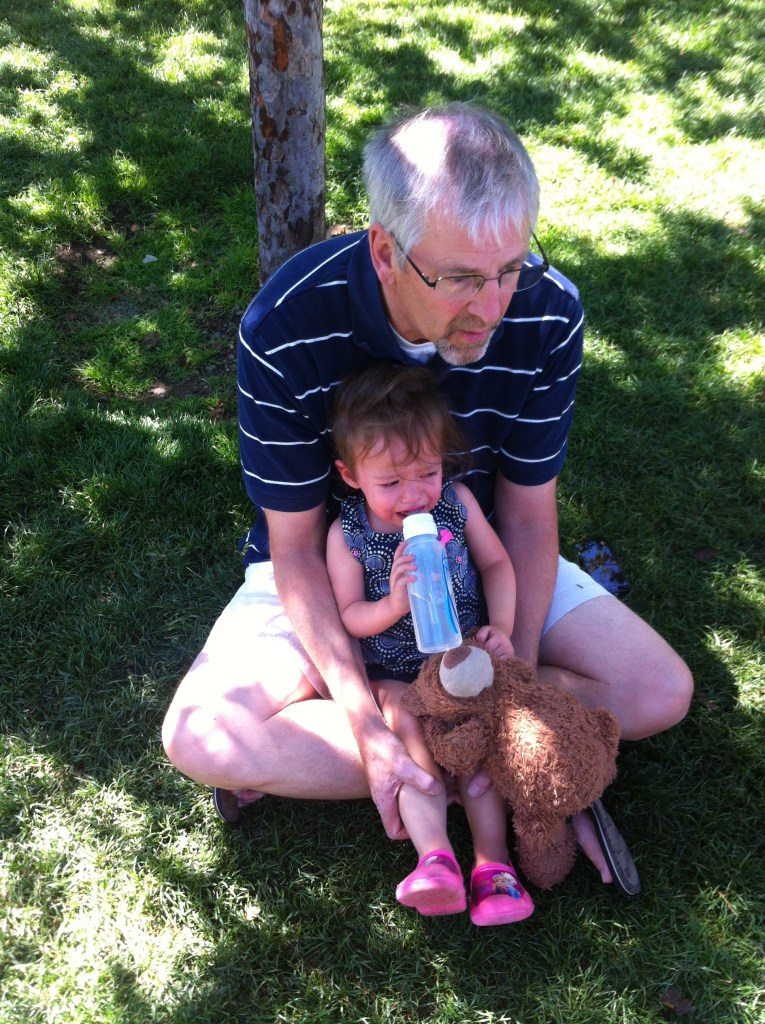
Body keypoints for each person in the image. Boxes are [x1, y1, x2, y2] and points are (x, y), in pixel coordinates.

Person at [161, 102, 693, 896]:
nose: (493, 305)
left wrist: (509, 692)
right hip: (337, 561)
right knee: (201, 737)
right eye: (459, 279)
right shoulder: (284, 324)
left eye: (509, 268)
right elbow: (297, 546)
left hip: (473, 550)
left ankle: (449, 749)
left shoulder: (548, 310)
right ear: (385, 249)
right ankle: (449, 748)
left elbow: (523, 513)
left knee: (661, 692)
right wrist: (365, 722)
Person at [327, 361, 533, 924]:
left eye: (426, 473)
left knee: (478, 738)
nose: (414, 495)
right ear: (351, 475)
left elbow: (497, 563)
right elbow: (347, 616)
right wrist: (392, 605)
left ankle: (496, 869)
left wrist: (504, 629)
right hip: (394, 671)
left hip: (459, 657)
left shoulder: (456, 505)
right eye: (390, 483)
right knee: (406, 727)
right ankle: (435, 860)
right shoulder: (348, 534)